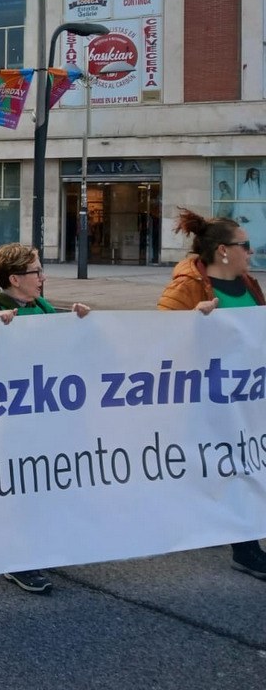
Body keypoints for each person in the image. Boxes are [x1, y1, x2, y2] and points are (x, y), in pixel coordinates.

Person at [0, 243, 91, 594]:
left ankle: (33, 547)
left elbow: (61, 348)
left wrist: (78, 325)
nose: (43, 278)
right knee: (15, 488)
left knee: (37, 484)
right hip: (3, 419)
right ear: (15, 279)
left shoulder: (41, 306)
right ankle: (15, 560)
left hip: (38, 415)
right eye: (37, 272)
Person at [157, 209, 266, 581]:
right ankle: (247, 550)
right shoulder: (187, 287)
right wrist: (193, 323)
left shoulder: (249, 284)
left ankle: (215, 523)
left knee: (243, 464)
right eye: (244, 246)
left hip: (246, 397)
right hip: (206, 399)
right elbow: (156, 338)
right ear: (223, 251)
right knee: (238, 467)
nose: (250, 252)